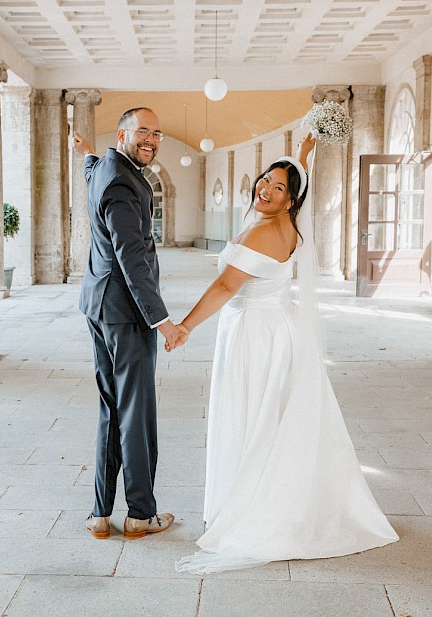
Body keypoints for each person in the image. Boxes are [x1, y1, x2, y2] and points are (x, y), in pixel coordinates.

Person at [174, 134, 399, 574]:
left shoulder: (263, 230)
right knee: (271, 415)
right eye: (265, 179)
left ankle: (256, 504)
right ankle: (263, 491)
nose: (266, 188)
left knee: (253, 415)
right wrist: (301, 155)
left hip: (255, 333)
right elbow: (297, 178)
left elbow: (224, 288)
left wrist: (184, 326)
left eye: (279, 187)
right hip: (275, 327)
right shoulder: (290, 226)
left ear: (291, 199)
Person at [71, 107, 185, 540]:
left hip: (98, 307)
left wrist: (84, 152)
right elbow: (130, 255)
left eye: (157, 133)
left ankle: (100, 513)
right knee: (136, 412)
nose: (152, 139)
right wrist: (162, 320)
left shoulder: (104, 167)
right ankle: (140, 513)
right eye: (143, 131)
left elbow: (91, 173)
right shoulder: (121, 180)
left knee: (111, 407)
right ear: (123, 134)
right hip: (126, 313)